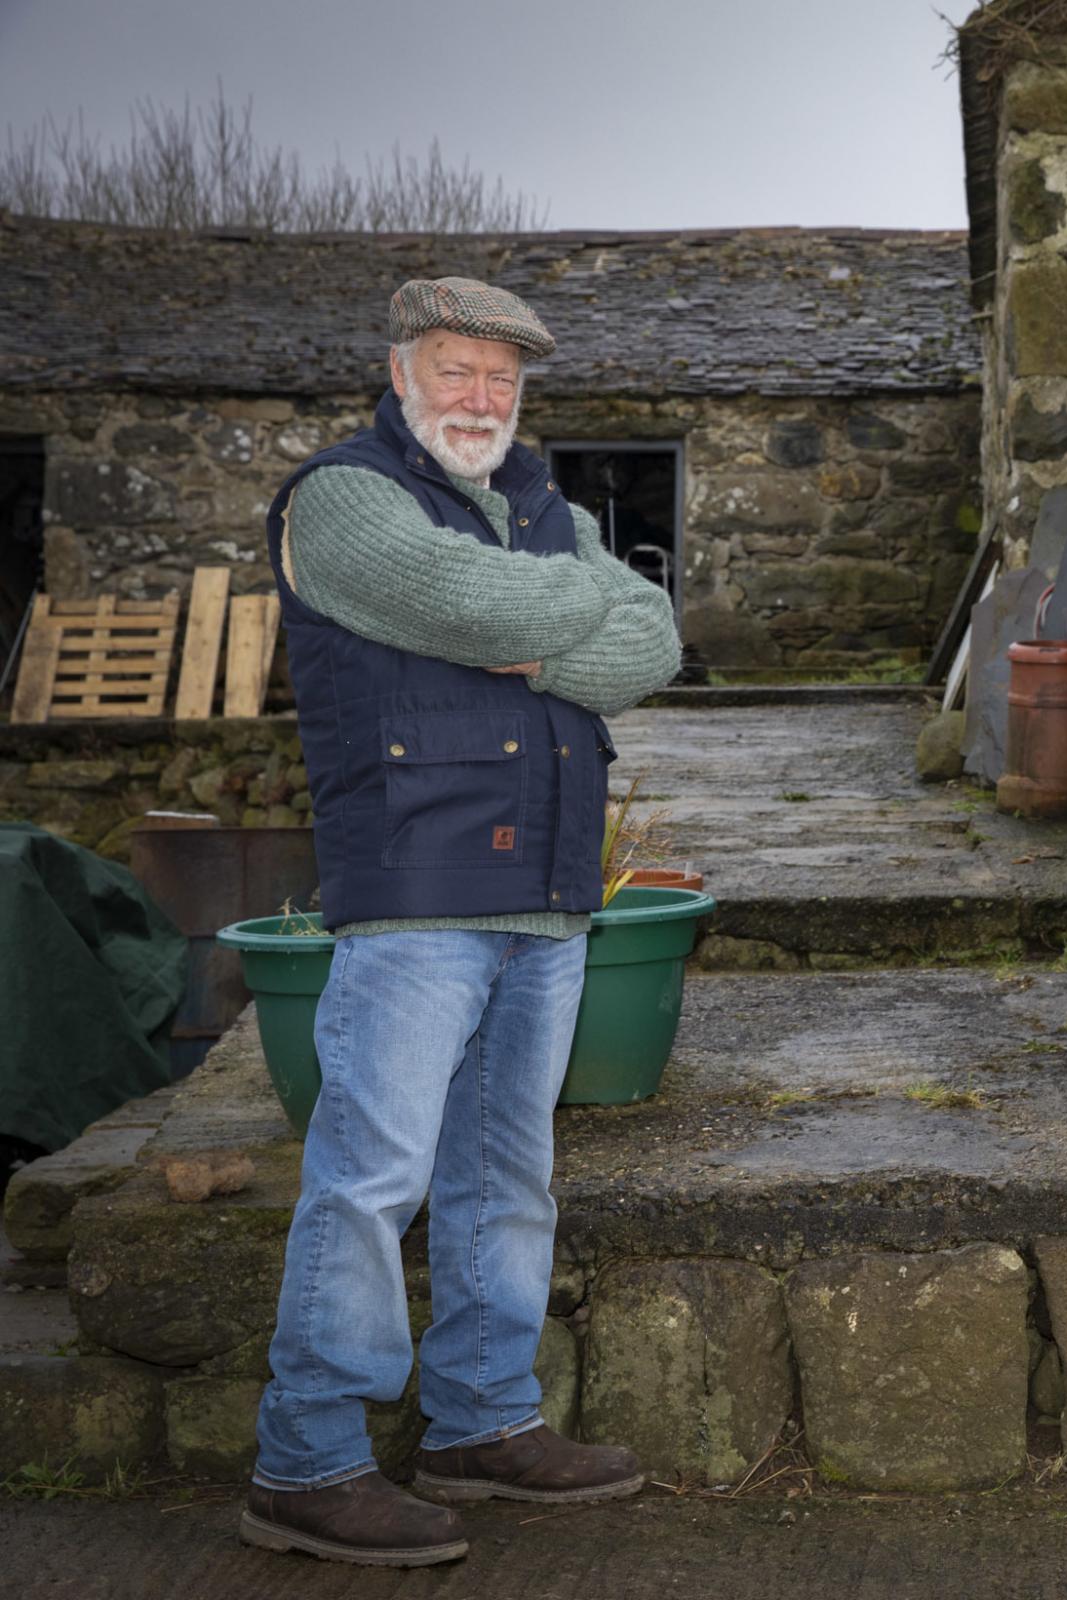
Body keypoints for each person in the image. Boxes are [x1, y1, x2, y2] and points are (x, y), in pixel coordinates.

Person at [244, 277, 683, 1567]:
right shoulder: (342, 501)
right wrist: (540, 610)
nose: (480, 398)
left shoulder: (545, 502)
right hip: (417, 884)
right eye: (456, 370)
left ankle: (479, 1420)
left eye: (502, 377)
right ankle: (305, 1456)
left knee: (506, 1173)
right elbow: (489, 606)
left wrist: (524, 626)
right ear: (401, 374)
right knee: (372, 1174)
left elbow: (652, 642)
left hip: (546, 887)